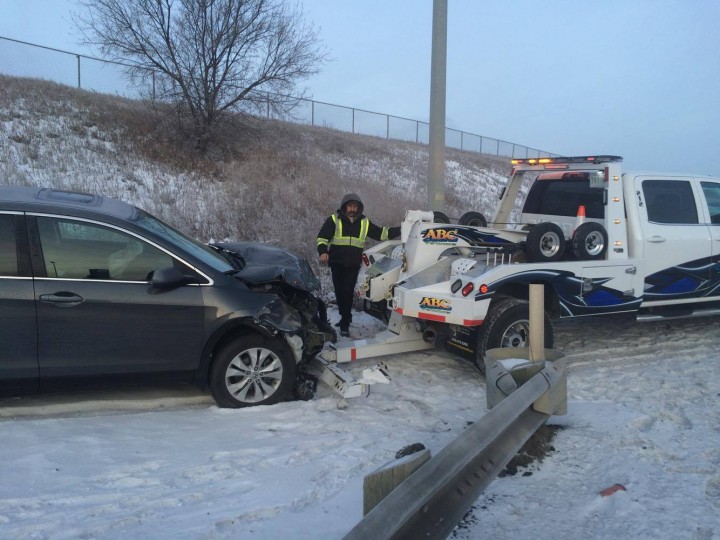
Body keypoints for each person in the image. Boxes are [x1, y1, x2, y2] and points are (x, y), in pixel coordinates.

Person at [317, 193, 400, 337]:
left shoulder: (364, 222)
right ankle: (346, 317)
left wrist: (401, 229)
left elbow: (381, 234)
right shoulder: (333, 220)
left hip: (352, 264)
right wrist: (323, 252)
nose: (352, 209)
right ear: (344, 206)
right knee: (339, 292)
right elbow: (322, 238)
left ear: (359, 208)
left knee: (347, 292)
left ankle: (344, 323)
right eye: (350, 206)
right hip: (337, 263)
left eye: (355, 207)